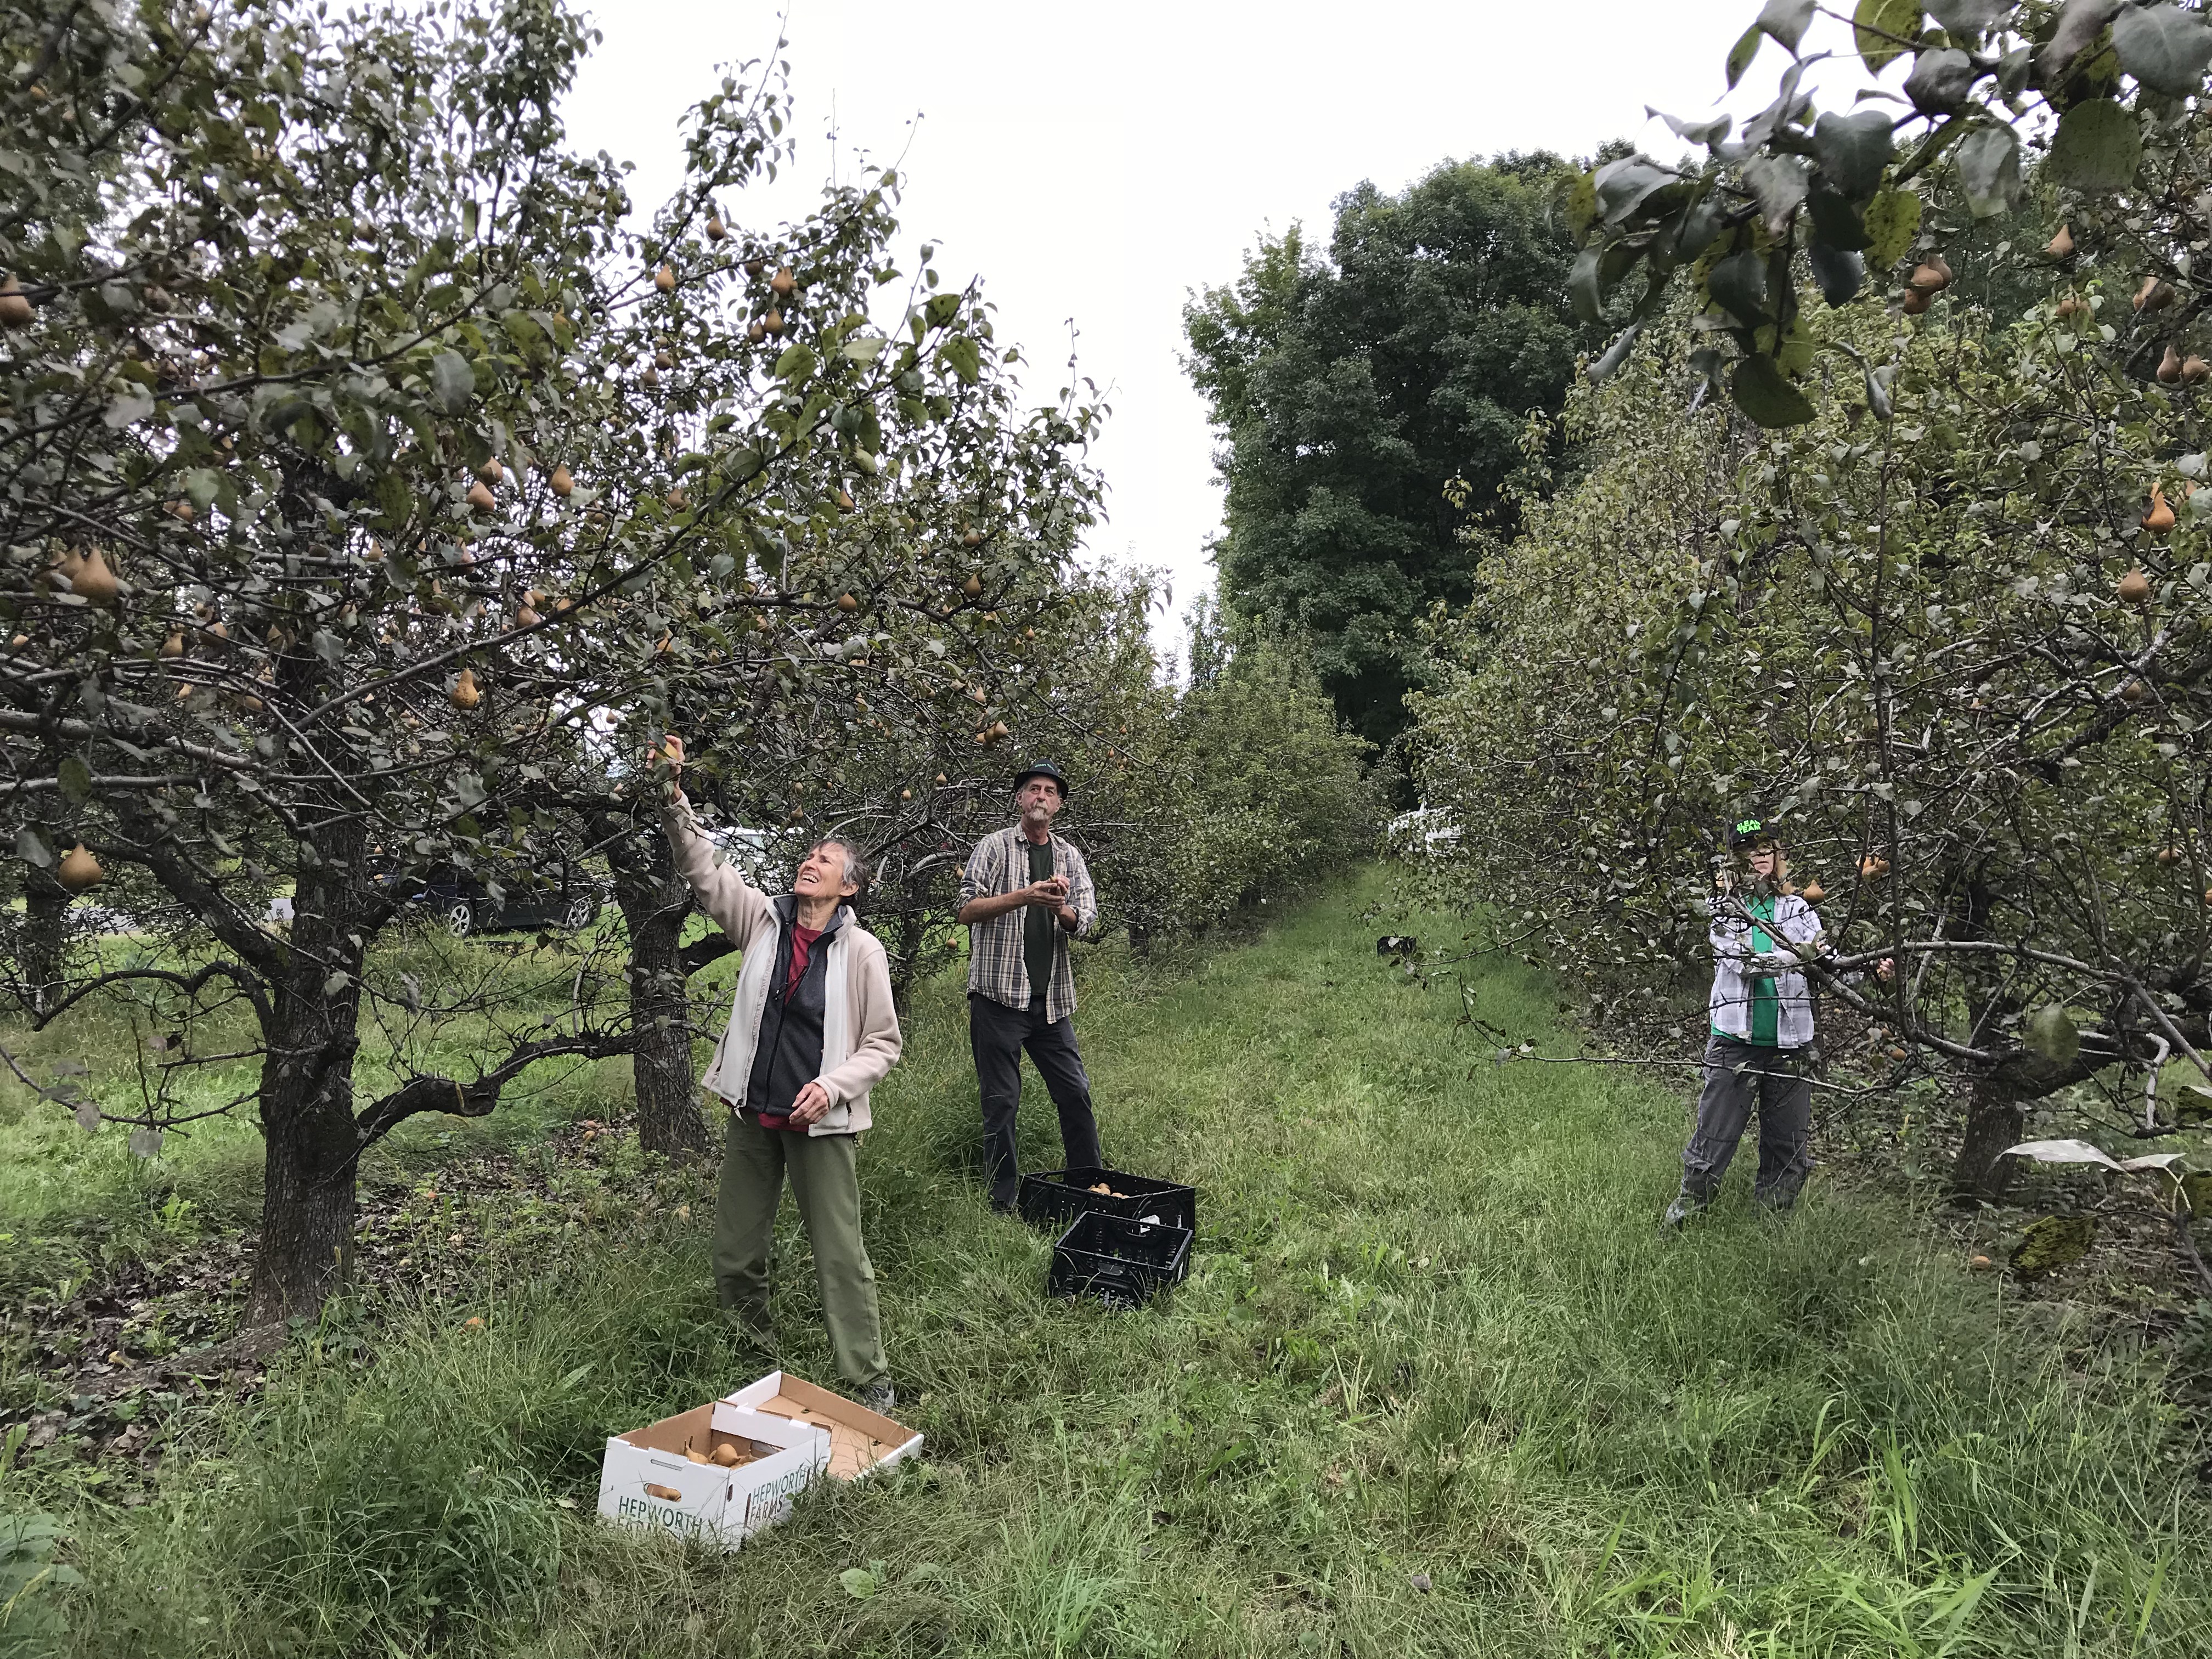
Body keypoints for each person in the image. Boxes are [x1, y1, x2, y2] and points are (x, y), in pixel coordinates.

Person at [655, 734, 902, 1412]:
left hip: (818, 1124)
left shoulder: (862, 951)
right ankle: (750, 1359)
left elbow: (883, 1044)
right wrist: (675, 800)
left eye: (825, 861)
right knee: (735, 1252)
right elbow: (708, 872)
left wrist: (832, 1087)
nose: (810, 863)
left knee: (839, 1257)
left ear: (849, 886)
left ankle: (866, 1378)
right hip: (752, 1113)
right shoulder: (763, 922)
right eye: (808, 855)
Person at [1664, 815, 1889, 1226]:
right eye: (1750, 849)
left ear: (1779, 855)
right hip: (1736, 1042)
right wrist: (1802, 955)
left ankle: (1769, 1230)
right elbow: (1746, 964)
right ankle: (1685, 1220)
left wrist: (1869, 970)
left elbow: (1824, 965)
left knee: (1787, 1147)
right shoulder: (1725, 909)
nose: (1760, 856)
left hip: (1792, 1046)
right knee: (1713, 1141)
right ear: (1734, 860)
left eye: (1767, 848)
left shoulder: (1797, 909)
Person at [955, 759, 1102, 1213]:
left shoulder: (1069, 857)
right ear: (1020, 799)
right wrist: (1023, 896)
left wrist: (1060, 909)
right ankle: (1003, 1201)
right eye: (1033, 789)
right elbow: (965, 909)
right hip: (998, 999)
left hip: (1051, 1003)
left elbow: (1088, 922)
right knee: (1001, 1104)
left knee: (1075, 1093)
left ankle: (1089, 1186)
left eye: (1050, 791)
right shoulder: (994, 848)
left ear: (1058, 804)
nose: (1041, 796)